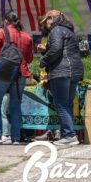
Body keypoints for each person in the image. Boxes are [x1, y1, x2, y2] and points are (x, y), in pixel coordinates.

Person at [0, 12, 34, 145]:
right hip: (20, 74)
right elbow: (29, 59)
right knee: (15, 105)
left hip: (4, 73)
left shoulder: (0, 32)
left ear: (6, 21)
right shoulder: (27, 37)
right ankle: (16, 138)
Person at [40, 13, 84, 146]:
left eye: (47, 19)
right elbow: (63, 49)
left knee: (61, 104)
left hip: (61, 71)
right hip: (74, 71)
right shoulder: (70, 32)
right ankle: (69, 134)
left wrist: (43, 60)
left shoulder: (56, 30)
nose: (46, 23)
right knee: (67, 104)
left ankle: (69, 135)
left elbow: (56, 49)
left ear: (53, 19)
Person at [35, 10, 62, 141]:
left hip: (55, 74)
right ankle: (51, 130)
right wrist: (42, 51)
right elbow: (47, 56)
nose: (45, 24)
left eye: (47, 20)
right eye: (45, 21)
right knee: (48, 105)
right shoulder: (45, 37)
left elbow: (56, 53)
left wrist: (45, 50)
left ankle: (58, 130)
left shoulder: (59, 34)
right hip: (45, 74)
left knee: (57, 104)